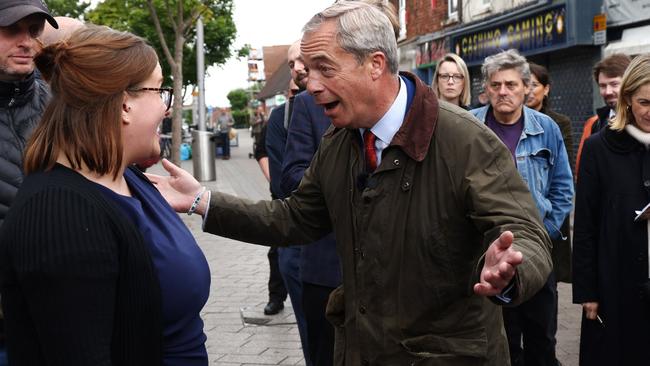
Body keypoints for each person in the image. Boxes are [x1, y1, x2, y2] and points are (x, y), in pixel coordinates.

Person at [149, 2, 552, 365]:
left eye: (325, 68)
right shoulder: (339, 142)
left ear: (375, 64)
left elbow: (528, 235)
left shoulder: (465, 140)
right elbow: (294, 219)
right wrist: (202, 200)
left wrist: (510, 272)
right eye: (308, 71)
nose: (311, 84)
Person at [0, 25, 211, 365]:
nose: (167, 107)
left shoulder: (127, 177)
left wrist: (200, 200)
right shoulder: (60, 213)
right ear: (124, 104)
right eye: (160, 91)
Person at [471, 49, 573, 366]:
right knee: (501, 342)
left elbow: (563, 186)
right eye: (497, 84)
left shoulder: (546, 128)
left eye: (512, 85)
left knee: (542, 339)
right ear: (486, 88)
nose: (504, 92)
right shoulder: (469, 127)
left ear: (526, 88)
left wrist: (544, 234)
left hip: (538, 253)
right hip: (488, 252)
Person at [572, 54, 650, 366]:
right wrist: (587, 292)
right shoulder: (598, 148)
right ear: (628, 99)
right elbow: (586, 225)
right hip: (616, 285)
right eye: (645, 102)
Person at [0, 1, 59, 362]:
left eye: (34, 30)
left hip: (56, 316)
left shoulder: (60, 106)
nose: (27, 41)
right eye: (11, 29)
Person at [527, 62, 574, 284]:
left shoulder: (558, 124)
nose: (528, 90)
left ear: (546, 89)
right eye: (524, 83)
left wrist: (549, 228)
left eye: (534, 84)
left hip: (546, 222)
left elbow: (563, 179)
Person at [575, 53, 631, 180]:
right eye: (603, 86)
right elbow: (582, 172)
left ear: (630, 83)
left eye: (614, 84)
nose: (608, 92)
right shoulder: (593, 124)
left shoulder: (644, 121)